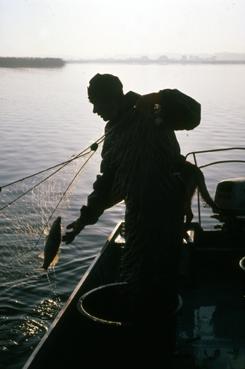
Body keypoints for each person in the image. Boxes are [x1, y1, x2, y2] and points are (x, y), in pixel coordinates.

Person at [63, 73, 201, 363]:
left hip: (165, 213)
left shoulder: (151, 111)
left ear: (112, 98)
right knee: (134, 278)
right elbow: (107, 183)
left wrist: (161, 96)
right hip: (136, 216)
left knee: (160, 280)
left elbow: (193, 114)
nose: (94, 110)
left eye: (96, 103)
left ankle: (158, 347)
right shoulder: (113, 132)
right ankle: (142, 346)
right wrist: (84, 219)